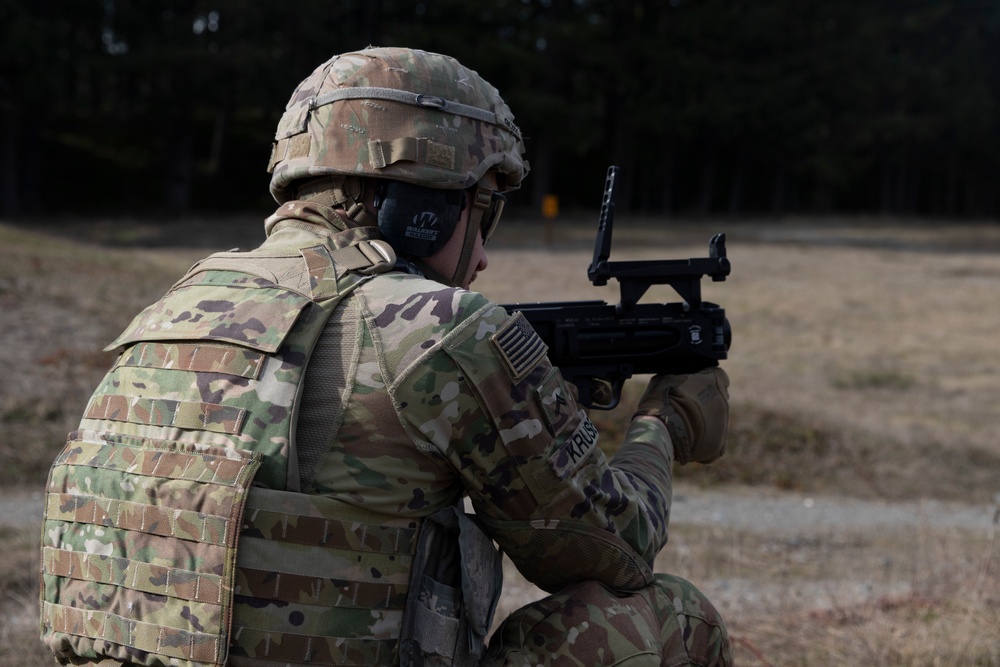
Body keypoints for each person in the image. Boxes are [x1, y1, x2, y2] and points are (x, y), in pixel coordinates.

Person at [39, 47, 732, 666]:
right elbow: (612, 547)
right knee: (671, 615)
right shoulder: (441, 328)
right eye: (482, 210)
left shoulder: (174, 307)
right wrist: (664, 424)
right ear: (419, 207)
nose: (484, 253)